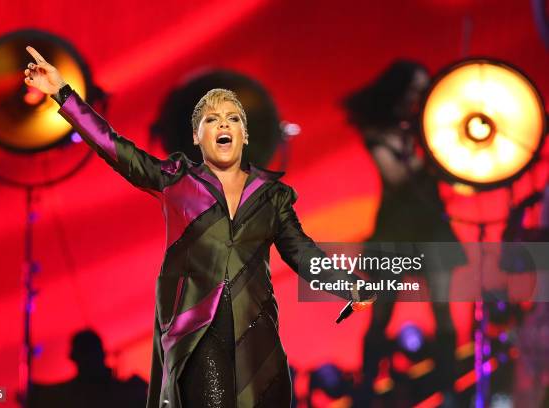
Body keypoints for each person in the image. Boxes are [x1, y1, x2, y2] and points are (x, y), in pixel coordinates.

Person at [24, 46, 375, 408]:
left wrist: (347, 286)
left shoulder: (272, 196)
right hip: (200, 335)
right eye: (211, 119)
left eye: (232, 118)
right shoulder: (176, 180)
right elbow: (113, 146)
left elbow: (302, 252)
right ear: (195, 137)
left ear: (245, 134)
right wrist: (63, 94)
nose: (222, 124)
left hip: (258, 337)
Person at [342, 60, 466, 407]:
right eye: (413, 89)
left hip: (431, 229)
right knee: (381, 313)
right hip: (395, 233)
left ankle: (450, 390)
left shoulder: (429, 129)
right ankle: (367, 388)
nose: (417, 97)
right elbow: (396, 178)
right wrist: (427, 149)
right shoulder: (381, 133)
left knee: (443, 312)